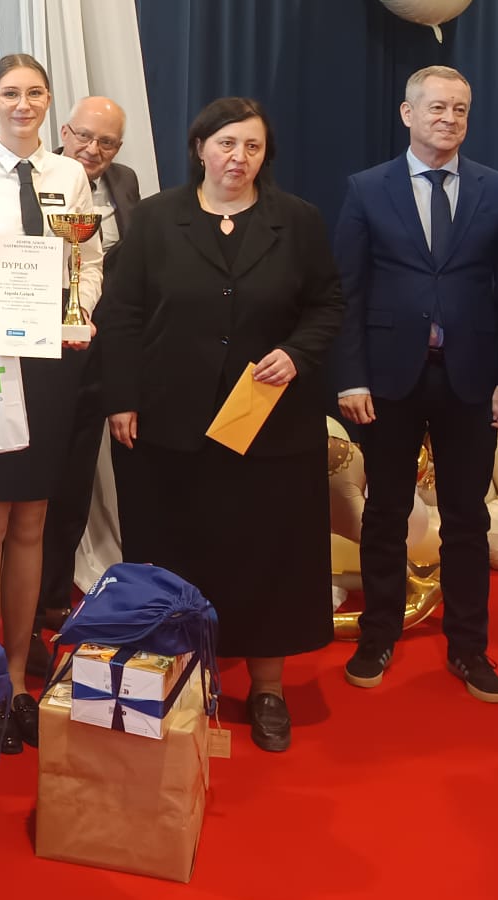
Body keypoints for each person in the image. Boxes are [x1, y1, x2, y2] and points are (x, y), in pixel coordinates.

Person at [100, 98, 342, 752]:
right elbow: (121, 313)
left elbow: (327, 305)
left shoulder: (298, 221)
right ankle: (177, 680)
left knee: (270, 557)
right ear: (200, 148)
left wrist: (297, 353)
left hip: (271, 428)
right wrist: (121, 397)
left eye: (252, 146)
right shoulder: (155, 220)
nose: (239, 157)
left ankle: (267, 689)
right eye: (227, 143)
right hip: (168, 425)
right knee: (174, 553)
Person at [332, 65, 498, 704]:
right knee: (386, 513)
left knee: (467, 517)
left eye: (460, 109)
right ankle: (378, 635)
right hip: (388, 380)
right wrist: (351, 377)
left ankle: (469, 646)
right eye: (437, 107)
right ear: (408, 113)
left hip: (471, 380)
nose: (449, 119)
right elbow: (346, 292)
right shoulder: (367, 189)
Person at [0, 54, 101, 753]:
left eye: (35, 92)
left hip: (52, 365)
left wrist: (78, 309)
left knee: (32, 523)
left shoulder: (71, 176)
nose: (23, 104)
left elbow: (89, 261)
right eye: (10, 93)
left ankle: (16, 676)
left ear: (49, 102)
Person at [37, 97, 140, 648]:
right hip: (42, 355)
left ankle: (55, 597)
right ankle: (21, 602)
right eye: (83, 136)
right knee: (39, 487)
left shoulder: (125, 182)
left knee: (77, 486)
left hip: (102, 354)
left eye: (107, 142)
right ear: (64, 131)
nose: (92, 150)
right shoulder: (39, 178)